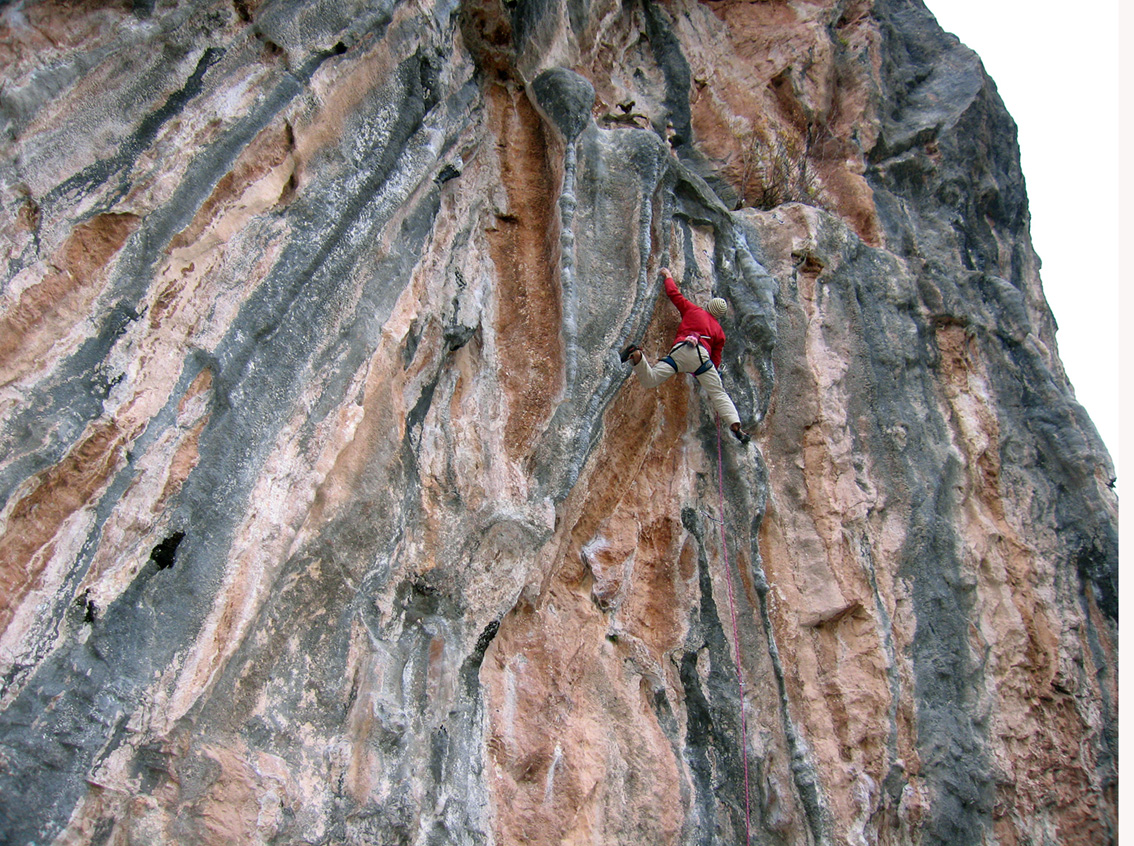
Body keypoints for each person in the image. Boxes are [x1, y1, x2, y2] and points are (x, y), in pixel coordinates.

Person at [621, 268, 750, 444]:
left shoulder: (693, 310)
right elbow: (716, 359)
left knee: (650, 379)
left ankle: (636, 355)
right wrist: (708, 375)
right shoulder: (719, 332)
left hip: (680, 351)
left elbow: (674, 295)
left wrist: (668, 276)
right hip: (701, 359)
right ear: (719, 316)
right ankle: (736, 426)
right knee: (718, 393)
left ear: (708, 306)